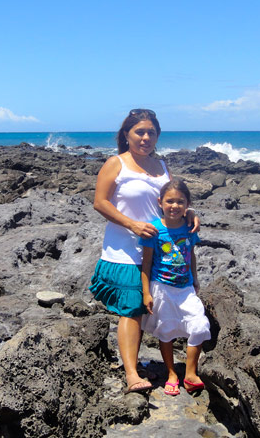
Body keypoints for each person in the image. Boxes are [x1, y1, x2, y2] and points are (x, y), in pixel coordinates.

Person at [89, 109, 199, 394]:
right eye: (140, 131)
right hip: (124, 250)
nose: (146, 137)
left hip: (160, 253)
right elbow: (100, 202)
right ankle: (131, 373)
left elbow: (170, 199)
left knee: (156, 308)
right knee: (131, 307)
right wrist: (132, 225)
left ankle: (174, 370)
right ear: (126, 134)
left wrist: (190, 213)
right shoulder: (116, 164)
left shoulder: (161, 165)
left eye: (151, 132)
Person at [140, 178, 211, 396]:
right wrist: (146, 292)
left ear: (188, 204)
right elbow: (147, 263)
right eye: (170, 201)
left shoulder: (190, 227)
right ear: (160, 202)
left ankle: (190, 373)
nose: (174, 206)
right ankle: (171, 373)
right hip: (161, 288)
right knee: (167, 330)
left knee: (199, 325)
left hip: (186, 288)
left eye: (180, 202)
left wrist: (196, 278)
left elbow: (192, 256)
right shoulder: (154, 229)